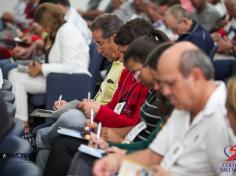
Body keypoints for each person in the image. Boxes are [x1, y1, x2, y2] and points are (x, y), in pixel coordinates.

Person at [93, 41, 231, 176]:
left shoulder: (226, 119)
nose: (164, 91)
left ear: (196, 76)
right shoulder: (183, 106)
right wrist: (116, 161)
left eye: (170, 83)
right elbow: (153, 156)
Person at [42, 35, 173, 176]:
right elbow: (144, 140)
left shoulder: (159, 94)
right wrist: (107, 136)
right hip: (122, 139)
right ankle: (41, 139)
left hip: (131, 149)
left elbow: (145, 142)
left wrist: (119, 145)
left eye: (124, 53)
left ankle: (40, 138)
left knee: (71, 130)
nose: (122, 59)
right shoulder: (135, 78)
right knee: (61, 142)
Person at [8, 3, 90, 126]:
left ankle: (21, 124)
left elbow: (70, 67)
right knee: (14, 72)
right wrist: (39, 66)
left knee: (16, 78)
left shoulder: (67, 32)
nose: (42, 29)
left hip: (68, 80)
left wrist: (41, 68)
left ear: (48, 22)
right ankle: (19, 121)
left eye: (42, 25)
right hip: (57, 77)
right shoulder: (61, 30)